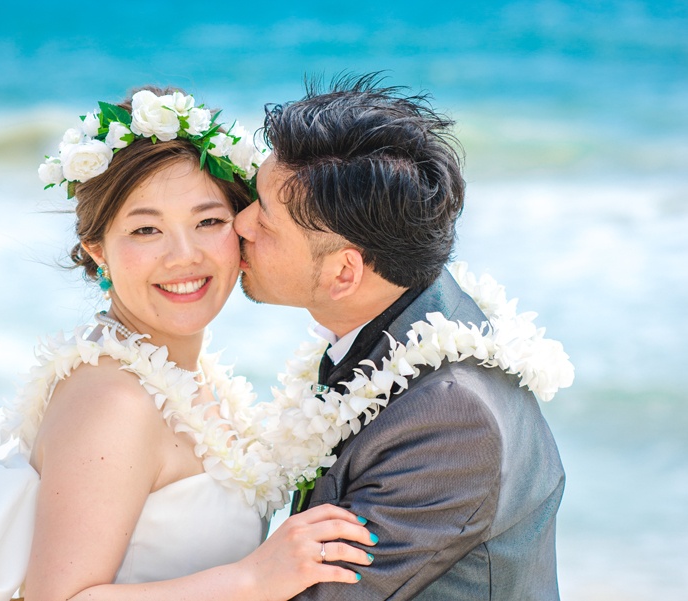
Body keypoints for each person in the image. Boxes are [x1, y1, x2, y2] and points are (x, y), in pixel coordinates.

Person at [0, 87, 376, 601]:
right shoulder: (113, 400)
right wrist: (252, 580)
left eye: (208, 221)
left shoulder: (187, 371)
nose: (183, 255)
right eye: (145, 230)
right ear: (97, 251)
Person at [234, 74, 572, 600]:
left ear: (344, 274)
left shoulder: (453, 419)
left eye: (266, 222)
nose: (240, 223)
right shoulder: (411, 304)